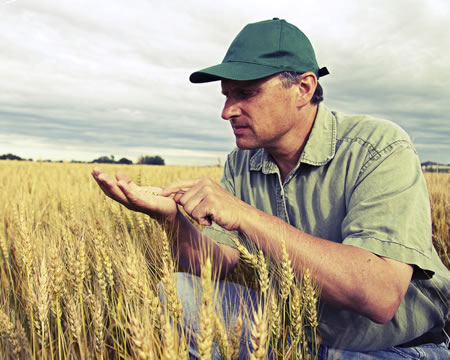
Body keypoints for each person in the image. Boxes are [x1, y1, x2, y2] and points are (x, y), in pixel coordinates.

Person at [92, 18, 449, 359]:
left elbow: (380, 296)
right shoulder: (241, 162)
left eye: (246, 93)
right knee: (184, 293)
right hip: (290, 337)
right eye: (226, 95)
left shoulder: (379, 147)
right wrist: (171, 219)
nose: (227, 111)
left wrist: (244, 215)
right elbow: (216, 264)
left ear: (303, 89)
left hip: (395, 349)